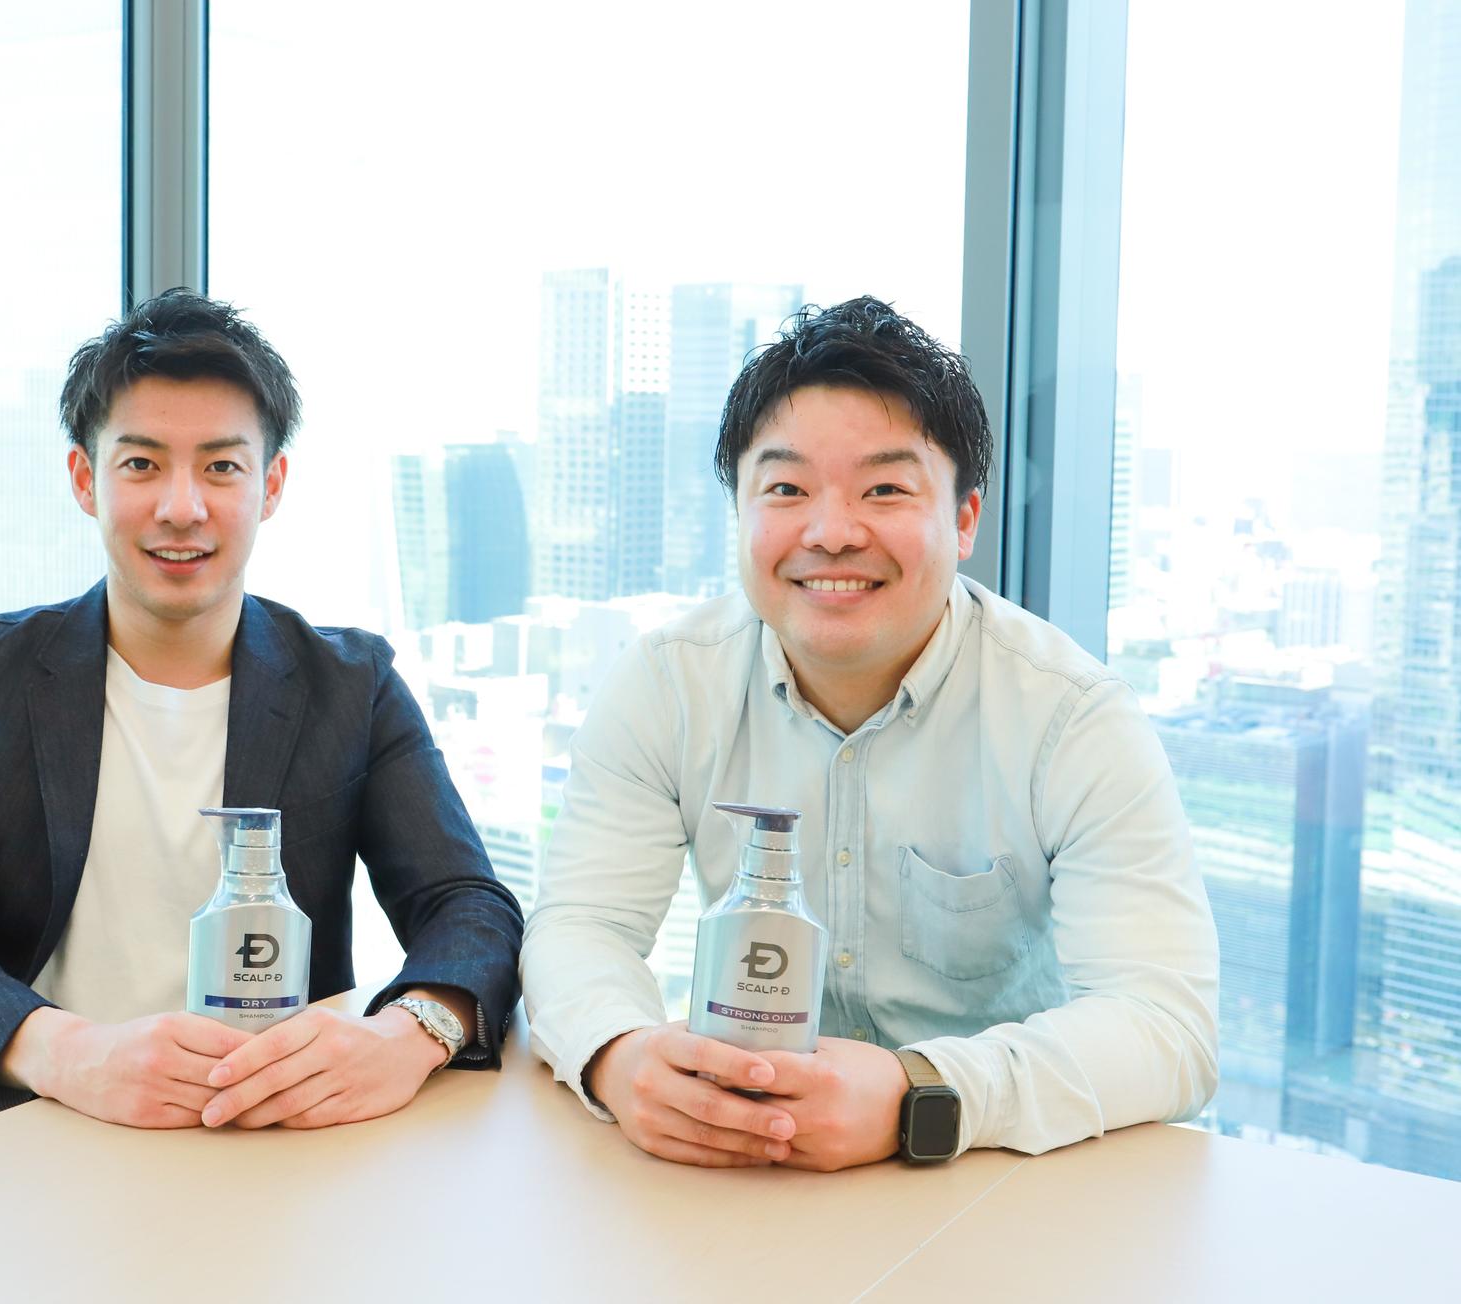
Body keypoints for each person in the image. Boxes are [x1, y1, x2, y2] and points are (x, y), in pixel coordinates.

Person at [0, 290, 523, 1197]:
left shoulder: (350, 684)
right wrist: (70, 1052)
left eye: (222, 467)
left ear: (271, 485)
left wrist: (410, 1033)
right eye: (142, 464)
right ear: (86, 480)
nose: (181, 507)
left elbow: (467, 905)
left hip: (245, 1148)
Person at [520, 296, 1217, 1171]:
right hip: (738, 1169)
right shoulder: (667, 684)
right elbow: (581, 924)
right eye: (786, 489)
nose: (831, 533)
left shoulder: (1071, 717)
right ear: (740, 513)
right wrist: (620, 1055)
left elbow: (1167, 1026)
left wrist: (917, 1094)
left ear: (964, 520)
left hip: (991, 1174)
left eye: (885, 489)